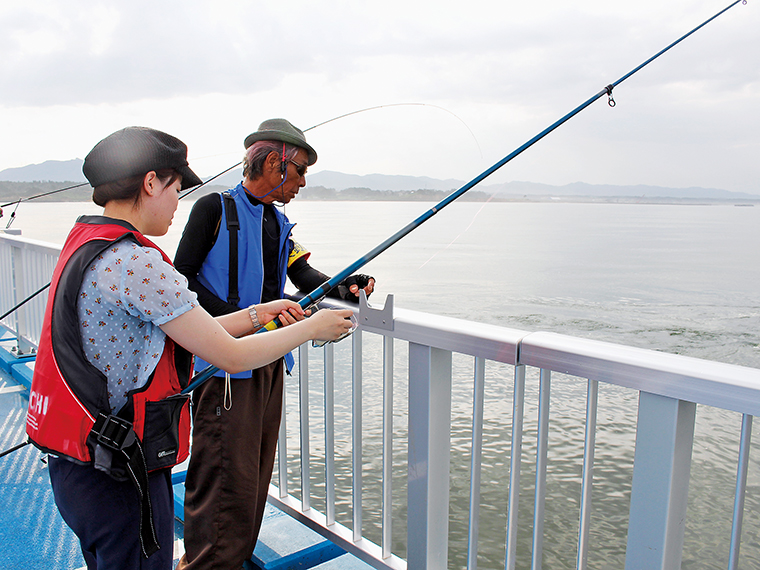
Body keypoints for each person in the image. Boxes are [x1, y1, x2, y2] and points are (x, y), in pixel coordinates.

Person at [25, 126, 353, 570]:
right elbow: (229, 354)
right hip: (121, 471)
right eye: (176, 188)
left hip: (77, 461)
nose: (178, 202)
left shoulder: (88, 240)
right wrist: (313, 327)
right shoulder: (137, 262)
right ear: (151, 182)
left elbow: (194, 328)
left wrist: (260, 313)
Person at [174, 118, 375, 569]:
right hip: (223, 366)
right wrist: (244, 320)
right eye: (299, 170)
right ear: (271, 162)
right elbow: (182, 279)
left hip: (268, 361)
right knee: (222, 481)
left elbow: (305, 277)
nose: (302, 182)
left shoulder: (279, 223)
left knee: (252, 479)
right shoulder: (213, 208)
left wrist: (350, 286)